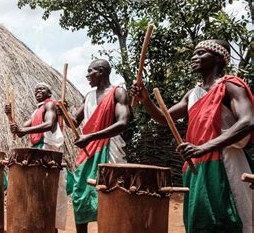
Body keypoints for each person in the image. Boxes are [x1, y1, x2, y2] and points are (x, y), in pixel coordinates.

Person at [131, 39, 253, 233]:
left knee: (228, 220)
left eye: (201, 53)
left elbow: (247, 121)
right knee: (200, 221)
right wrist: (146, 100)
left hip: (225, 163)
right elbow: (165, 118)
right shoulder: (192, 94)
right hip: (198, 165)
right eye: (194, 53)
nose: (194, 57)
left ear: (219, 59)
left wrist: (204, 147)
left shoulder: (230, 86)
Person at [64, 59, 130, 233]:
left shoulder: (118, 93)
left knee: (108, 195)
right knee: (79, 195)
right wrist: (62, 112)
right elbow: (73, 122)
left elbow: (123, 123)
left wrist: (92, 136)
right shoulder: (89, 96)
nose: (87, 76)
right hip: (87, 151)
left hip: (109, 149)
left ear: (101, 71)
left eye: (90, 71)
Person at [6, 83, 68, 232]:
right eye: (36, 90)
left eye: (42, 89)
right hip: (37, 151)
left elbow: (49, 124)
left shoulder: (50, 106)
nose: (38, 91)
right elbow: (20, 131)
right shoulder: (37, 111)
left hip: (47, 151)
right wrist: (10, 116)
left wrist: (23, 129)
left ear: (49, 92)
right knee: (37, 193)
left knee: (48, 194)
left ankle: (51, 229)